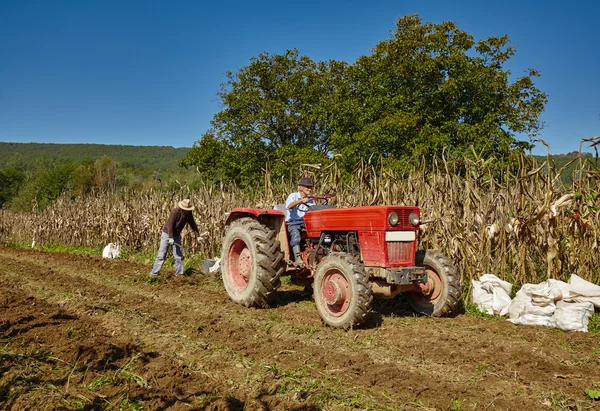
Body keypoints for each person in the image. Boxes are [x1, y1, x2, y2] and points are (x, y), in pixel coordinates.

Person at [150, 199, 202, 277]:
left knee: (178, 256)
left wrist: (198, 236)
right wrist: (170, 237)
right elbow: (170, 225)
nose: (187, 211)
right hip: (167, 234)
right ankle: (154, 274)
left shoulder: (188, 214)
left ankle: (180, 274)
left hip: (177, 235)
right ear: (182, 208)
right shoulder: (175, 212)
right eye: (186, 210)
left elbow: (193, 224)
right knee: (161, 255)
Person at [285, 177, 315, 264]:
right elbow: (289, 206)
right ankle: (298, 259)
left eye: (311, 187)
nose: (310, 189)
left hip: (305, 222)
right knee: (295, 235)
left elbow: (313, 210)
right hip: (293, 222)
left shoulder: (310, 199)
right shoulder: (293, 196)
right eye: (307, 187)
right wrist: (301, 201)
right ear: (301, 188)